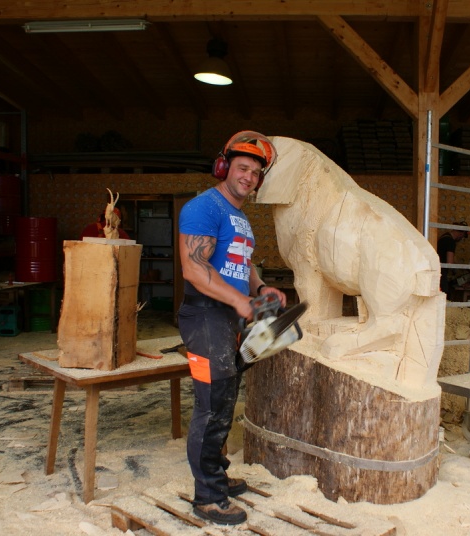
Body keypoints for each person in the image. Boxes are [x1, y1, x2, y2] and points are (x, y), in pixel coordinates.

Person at [177, 131, 286, 526]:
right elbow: (194, 268)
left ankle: (217, 475)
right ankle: (208, 497)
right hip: (206, 316)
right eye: (242, 168)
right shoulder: (203, 207)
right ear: (224, 167)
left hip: (229, 319)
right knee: (211, 408)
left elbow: (242, 262)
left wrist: (259, 288)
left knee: (224, 403)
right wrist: (240, 302)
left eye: (256, 173)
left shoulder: (240, 216)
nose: (249, 178)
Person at [436, 221, 469, 294]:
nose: (461, 239)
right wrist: (459, 271)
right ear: (461, 234)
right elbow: (450, 262)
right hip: (442, 272)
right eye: (462, 237)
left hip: (437, 269)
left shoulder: (444, 237)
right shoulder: (450, 241)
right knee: (443, 292)